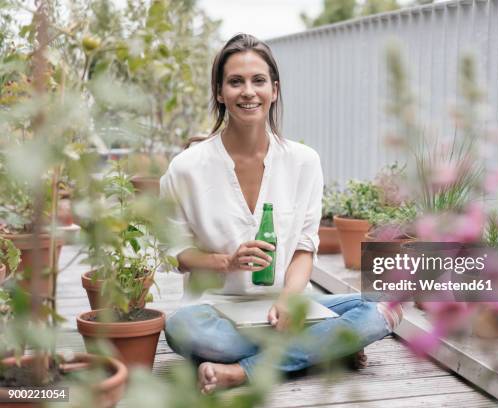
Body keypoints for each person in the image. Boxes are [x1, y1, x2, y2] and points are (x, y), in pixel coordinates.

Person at [161, 33, 403, 394]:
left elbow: (305, 248)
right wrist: (225, 261)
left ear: (274, 90)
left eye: (258, 80)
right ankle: (325, 347)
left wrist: (289, 298)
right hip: (215, 310)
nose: (248, 91)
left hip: (289, 308)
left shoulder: (304, 162)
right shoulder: (186, 168)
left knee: (384, 305)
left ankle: (242, 372)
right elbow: (176, 255)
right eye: (235, 81)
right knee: (181, 329)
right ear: (219, 92)